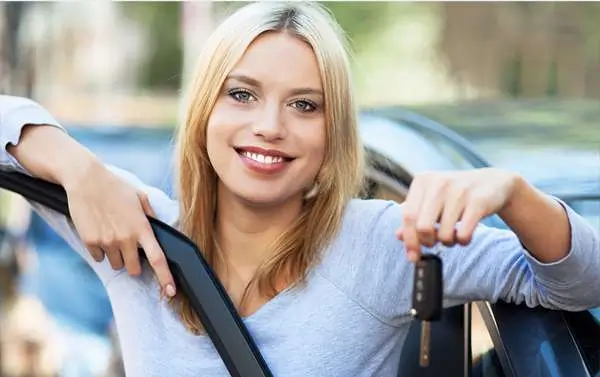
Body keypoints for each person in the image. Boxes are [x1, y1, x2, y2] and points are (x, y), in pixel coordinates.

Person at [1, 2, 599, 376]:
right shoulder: (137, 230)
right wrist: (77, 169)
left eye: (304, 105)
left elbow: (580, 283)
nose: (269, 125)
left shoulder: (380, 244)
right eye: (241, 94)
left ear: (331, 133)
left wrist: (515, 194)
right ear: (204, 109)